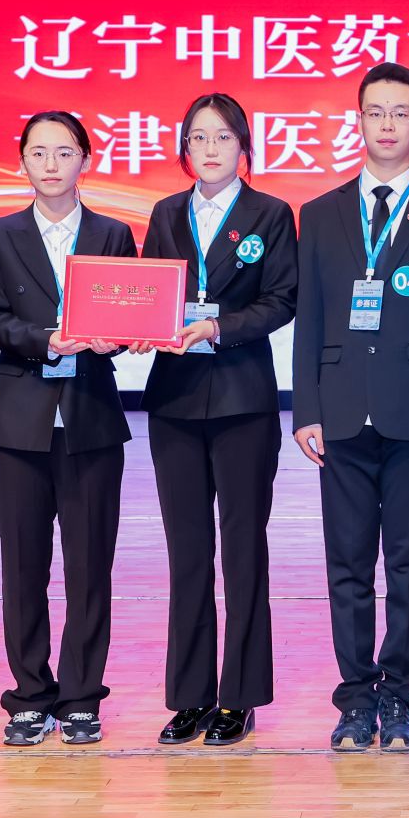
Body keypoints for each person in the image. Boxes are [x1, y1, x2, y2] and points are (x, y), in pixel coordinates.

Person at [291, 62, 409, 753]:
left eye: (401, 112)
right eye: (376, 112)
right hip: (340, 412)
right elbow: (310, 317)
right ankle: (354, 698)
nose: (388, 124)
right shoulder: (321, 214)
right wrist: (305, 408)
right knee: (346, 565)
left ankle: (399, 695)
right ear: (360, 120)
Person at [135, 93, 298, 748]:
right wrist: (138, 326)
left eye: (223, 137)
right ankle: (190, 695)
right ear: (184, 148)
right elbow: (150, 291)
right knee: (187, 551)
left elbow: (282, 299)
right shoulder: (165, 213)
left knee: (242, 548)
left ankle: (240, 696)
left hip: (242, 398)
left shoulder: (270, 213)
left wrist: (218, 327)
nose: (210, 148)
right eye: (198, 137)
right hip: (174, 400)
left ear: (243, 147)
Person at [0, 110, 137, 747]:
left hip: (92, 419)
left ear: (85, 161)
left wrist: (118, 336)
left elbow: (129, 313)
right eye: (38, 152)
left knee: (90, 566)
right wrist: (47, 341)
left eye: (64, 152)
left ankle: (82, 696)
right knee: (23, 567)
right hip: (18, 421)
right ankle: (30, 695)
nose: (50, 164)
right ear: (21, 163)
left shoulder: (113, 233)